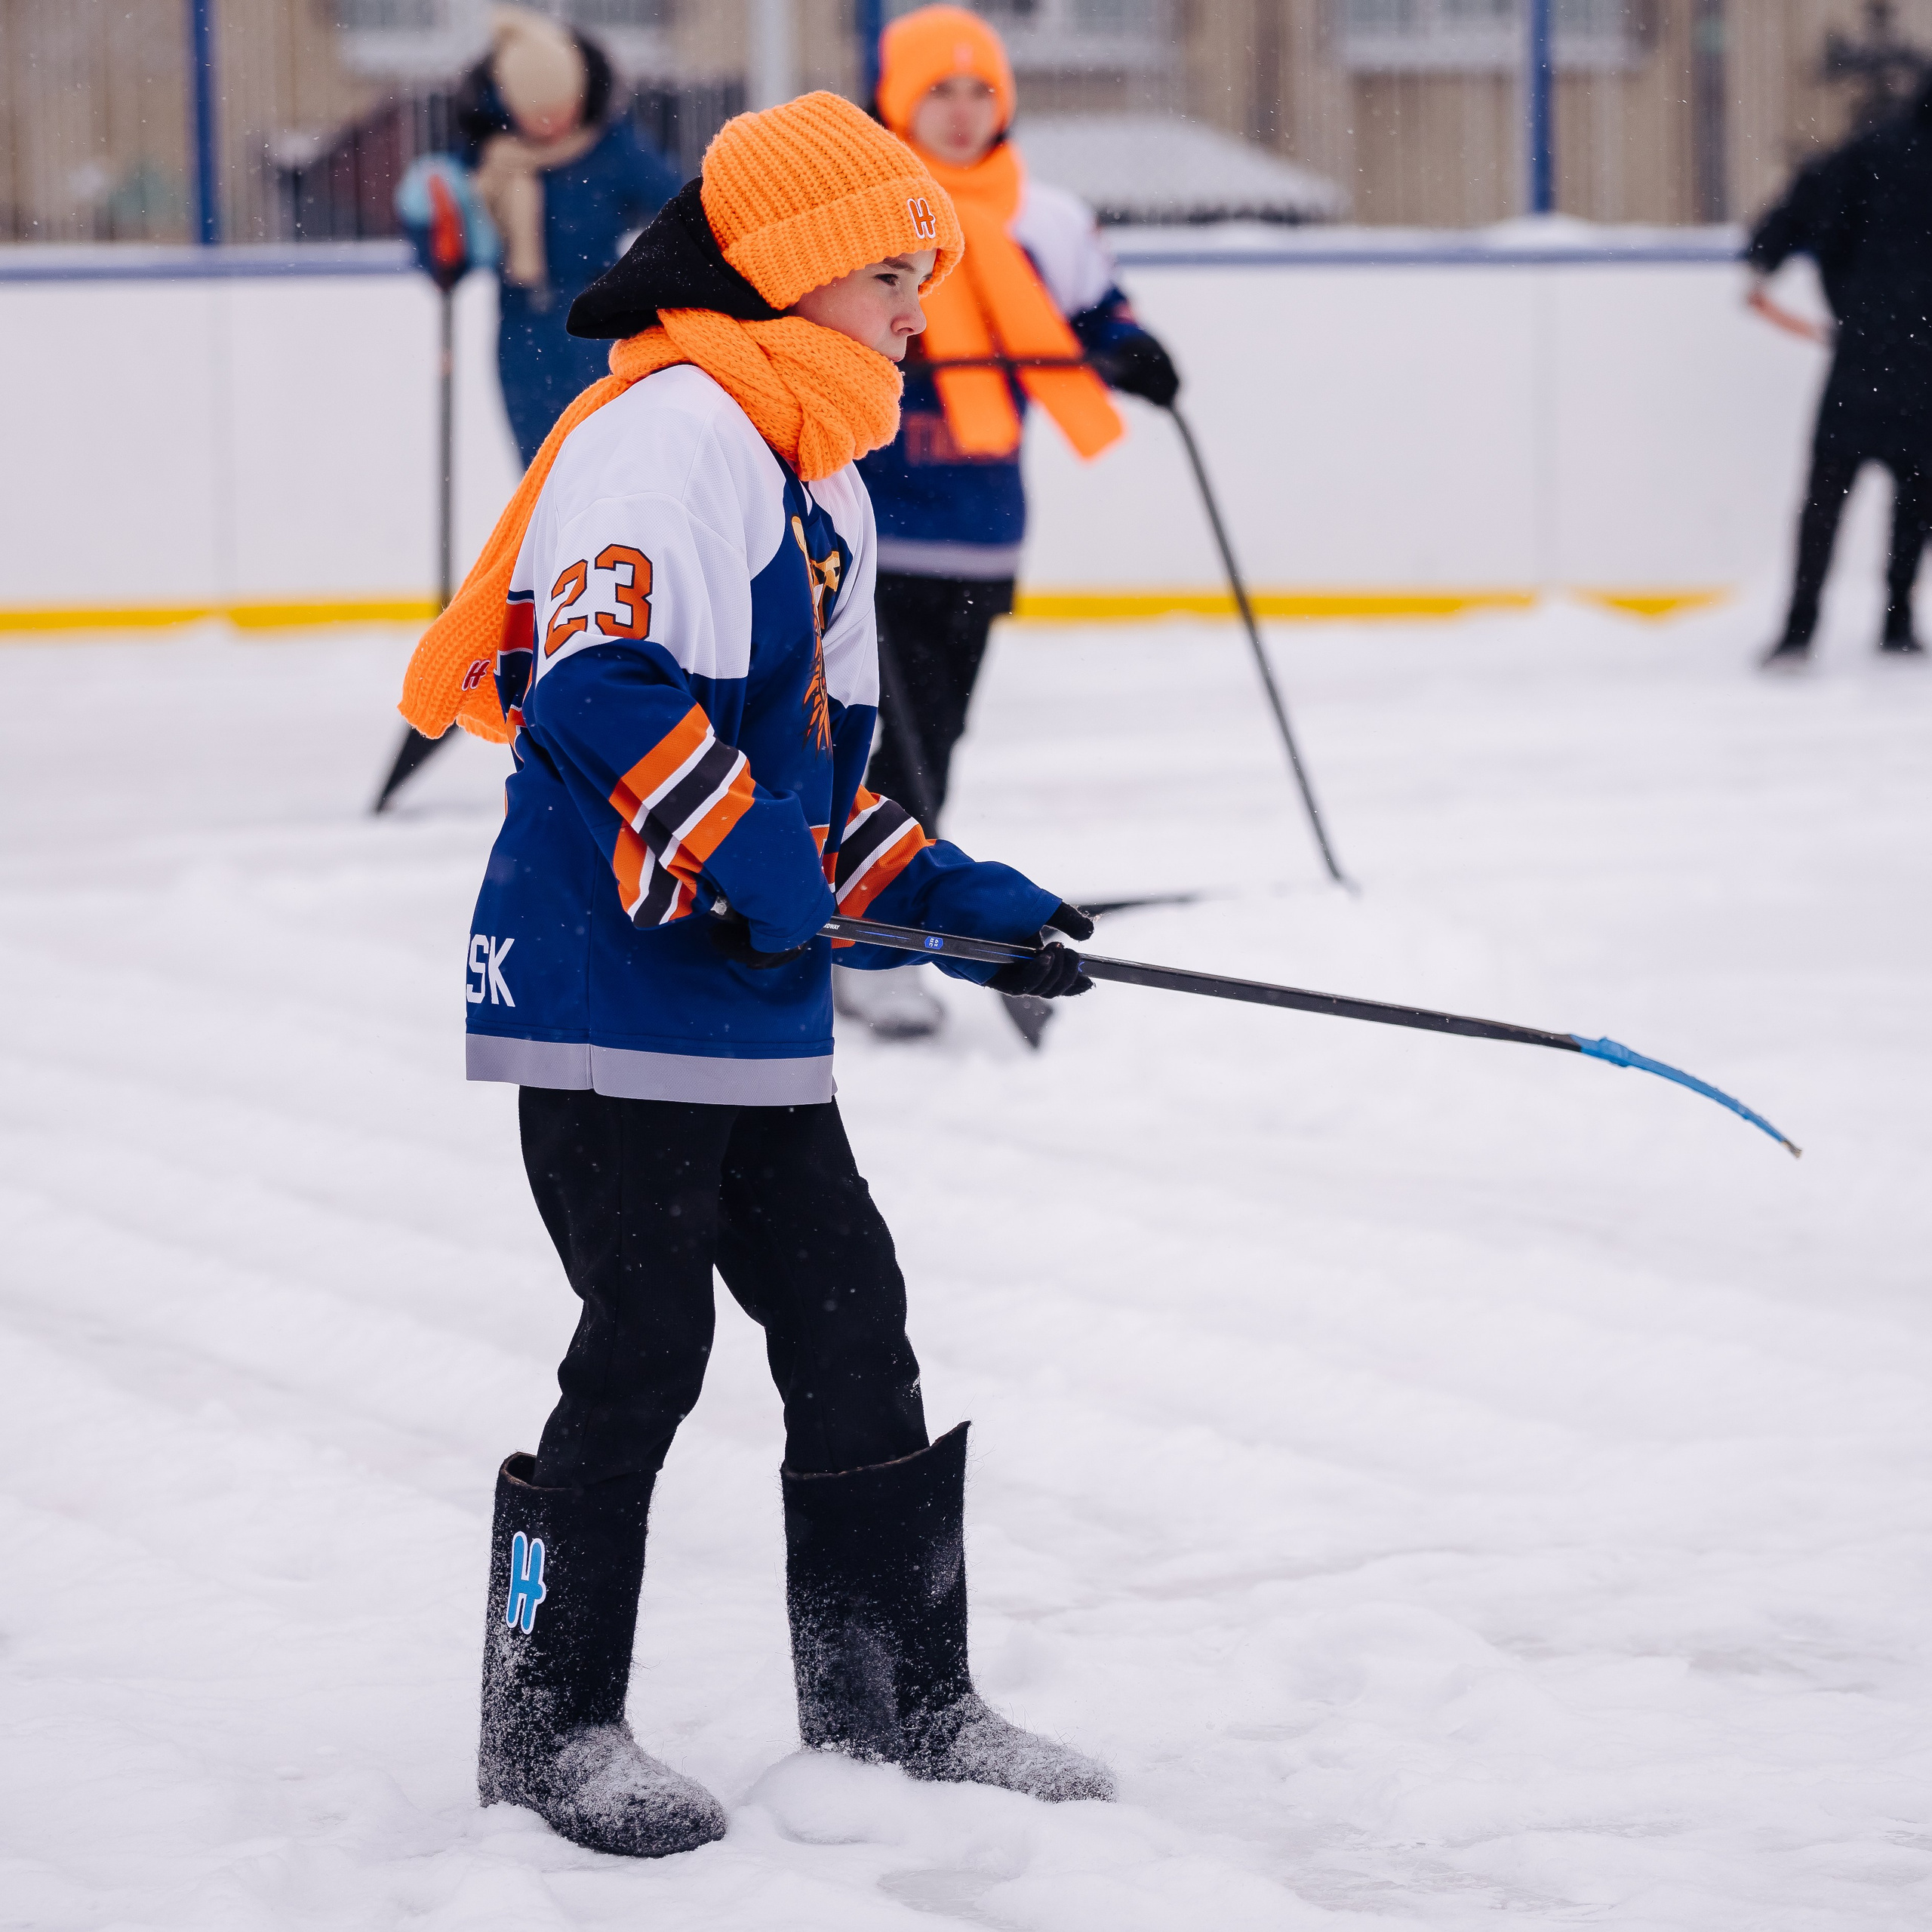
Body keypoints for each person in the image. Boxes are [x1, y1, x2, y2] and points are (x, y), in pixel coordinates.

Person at [396, 91, 1111, 1860]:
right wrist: (765, 860)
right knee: (643, 1343)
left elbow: (820, 799)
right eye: (892, 270)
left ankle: (898, 1700)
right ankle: (548, 1723)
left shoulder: (822, 485)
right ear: (796, 273)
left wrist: (955, 898)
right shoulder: (673, 435)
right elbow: (595, 692)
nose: (916, 307)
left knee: (852, 1321)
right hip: (598, 982)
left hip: (740, 1002)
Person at [832, 5, 1180, 1042]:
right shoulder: (857, 211)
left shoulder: (1049, 220)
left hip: (982, 531)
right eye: (939, 88)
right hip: (871, 532)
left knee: (937, 737)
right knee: (887, 747)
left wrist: (1128, 349)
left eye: (979, 89)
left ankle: (866, 911)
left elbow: (1101, 312)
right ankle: (873, 946)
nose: (961, 109)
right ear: (897, 96)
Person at [376, 7, 682, 815]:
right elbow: (455, 255)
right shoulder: (486, 163)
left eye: (560, 100)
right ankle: (554, 667)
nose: (548, 118)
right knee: (543, 507)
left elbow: (683, 211)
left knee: (602, 505)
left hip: (602, 346)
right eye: (532, 103)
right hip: (522, 354)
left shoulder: (613, 152)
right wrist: (433, 228)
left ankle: (608, 654)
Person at [1747, 77, 1932, 668]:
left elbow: (1807, 198)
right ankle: (1897, 620)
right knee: (1918, 496)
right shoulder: (1878, 152)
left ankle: (1800, 629)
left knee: (1827, 494)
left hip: (1865, 352)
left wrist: (1765, 256)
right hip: (1921, 359)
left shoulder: (1872, 151)